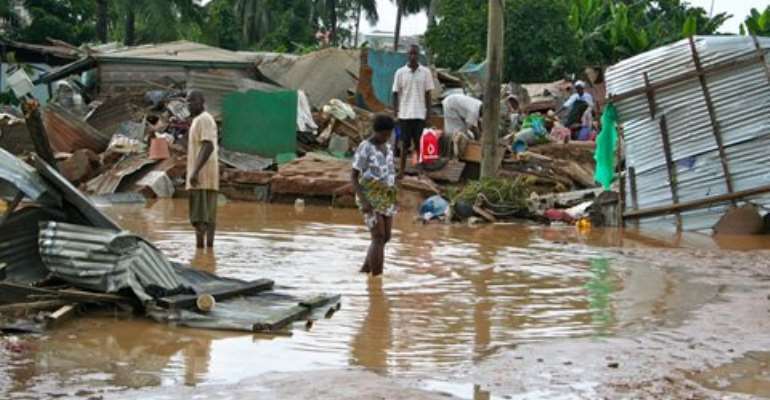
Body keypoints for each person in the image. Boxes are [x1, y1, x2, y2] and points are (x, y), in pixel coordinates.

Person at [352, 114, 398, 276]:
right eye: (384, 134)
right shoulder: (365, 147)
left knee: (386, 237)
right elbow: (354, 176)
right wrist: (364, 201)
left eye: (389, 134)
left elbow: (391, 172)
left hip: (387, 196)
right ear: (375, 131)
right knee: (378, 236)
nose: (386, 137)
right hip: (369, 195)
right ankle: (376, 280)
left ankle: (366, 268)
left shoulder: (388, 148)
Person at [392, 44, 434, 177]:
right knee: (404, 144)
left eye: (415, 53)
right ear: (407, 55)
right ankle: (402, 171)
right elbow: (395, 93)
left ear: (419, 55)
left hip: (420, 114)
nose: (413, 56)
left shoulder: (426, 72)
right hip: (404, 114)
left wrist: (428, 115)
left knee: (419, 144)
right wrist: (395, 113)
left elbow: (428, 95)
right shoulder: (400, 72)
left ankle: (420, 170)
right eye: (410, 53)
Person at [186, 90, 219, 249]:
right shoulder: (198, 120)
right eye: (187, 101)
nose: (189, 105)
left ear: (202, 101)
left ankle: (200, 255)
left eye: (192, 101)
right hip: (206, 177)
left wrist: (195, 171)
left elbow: (208, 145)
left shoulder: (204, 119)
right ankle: (207, 257)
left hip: (202, 177)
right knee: (208, 218)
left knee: (200, 219)